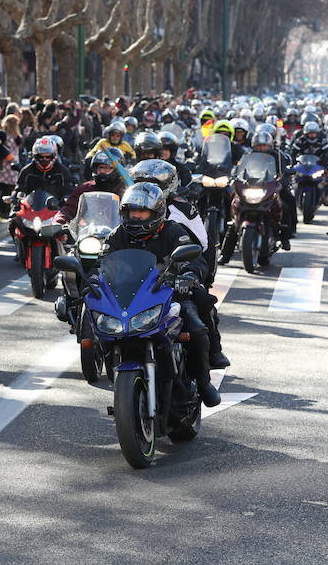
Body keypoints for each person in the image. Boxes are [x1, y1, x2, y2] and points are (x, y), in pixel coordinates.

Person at [100, 182, 220, 407]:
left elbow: (194, 258)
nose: (135, 217)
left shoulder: (174, 231)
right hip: (131, 299)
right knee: (103, 327)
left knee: (196, 328)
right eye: (131, 212)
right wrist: (93, 279)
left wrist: (188, 275)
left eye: (141, 212)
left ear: (156, 212)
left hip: (170, 294)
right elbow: (101, 262)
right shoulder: (118, 235)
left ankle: (204, 383)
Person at [129, 160, 230, 369]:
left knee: (201, 303)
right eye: (142, 183)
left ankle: (213, 354)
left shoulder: (182, 210)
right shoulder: (129, 207)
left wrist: (199, 277)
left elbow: (203, 245)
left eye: (154, 184)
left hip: (175, 276)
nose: (148, 189)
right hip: (136, 280)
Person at [53, 151, 126, 226]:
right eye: (100, 167)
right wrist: (59, 221)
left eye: (108, 168)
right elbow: (68, 210)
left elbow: (134, 214)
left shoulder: (126, 192)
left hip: (118, 235)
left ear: (118, 170)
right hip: (89, 234)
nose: (102, 171)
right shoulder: (85, 189)